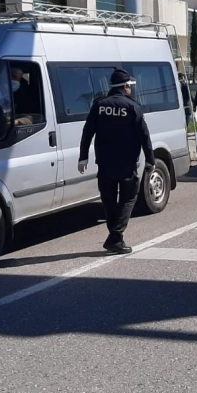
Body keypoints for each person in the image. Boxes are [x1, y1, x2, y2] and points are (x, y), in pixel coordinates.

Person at [78, 68, 155, 254]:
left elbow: (87, 132)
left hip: (104, 162)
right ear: (126, 86)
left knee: (109, 200)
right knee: (129, 198)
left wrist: (83, 156)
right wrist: (150, 160)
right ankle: (115, 236)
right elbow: (144, 136)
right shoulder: (133, 107)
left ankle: (115, 238)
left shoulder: (98, 105)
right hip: (126, 163)